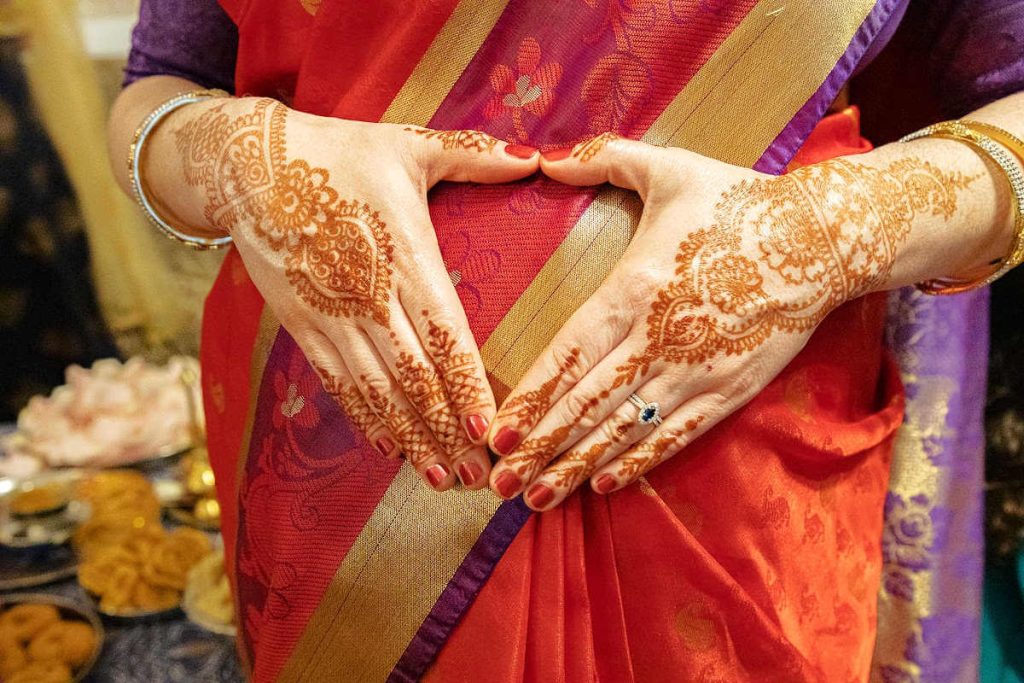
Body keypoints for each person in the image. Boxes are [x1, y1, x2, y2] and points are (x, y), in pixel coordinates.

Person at [108, 1, 1024, 680]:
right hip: (337, 481)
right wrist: (237, 160)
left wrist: (821, 235)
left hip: (730, 506)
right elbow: (162, 81)